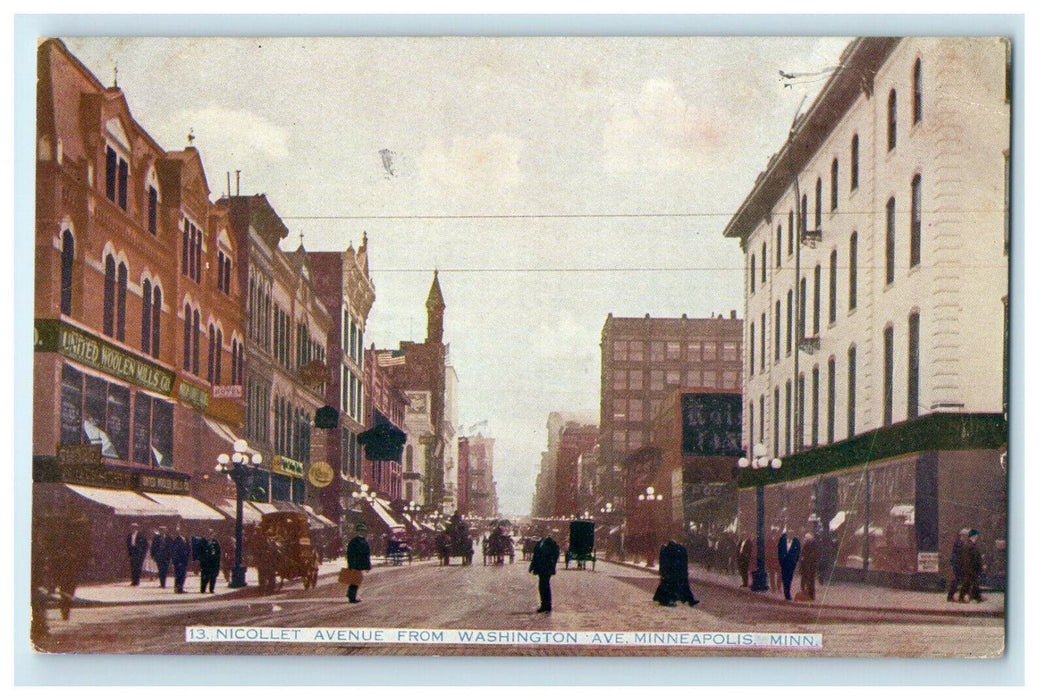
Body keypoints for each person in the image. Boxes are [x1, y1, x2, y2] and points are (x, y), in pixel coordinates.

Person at [653, 540, 699, 607]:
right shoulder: (676, 551)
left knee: (670, 586)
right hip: (674, 573)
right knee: (674, 587)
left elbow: (664, 562)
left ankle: (689, 600)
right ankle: (686, 600)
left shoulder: (669, 551)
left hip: (672, 573)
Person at [529, 534, 560, 613]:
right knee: (542, 586)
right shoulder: (539, 543)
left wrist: (553, 563)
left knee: (545, 586)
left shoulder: (550, 542)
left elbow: (556, 553)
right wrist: (531, 567)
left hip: (547, 567)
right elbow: (535, 556)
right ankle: (544, 605)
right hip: (540, 568)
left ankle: (547, 606)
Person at [345, 523, 372, 603]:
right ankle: (352, 597)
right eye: (360, 531)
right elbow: (351, 553)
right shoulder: (357, 541)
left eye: (363, 531)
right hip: (356, 563)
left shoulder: (359, 541)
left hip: (358, 563)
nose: (362, 532)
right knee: (355, 581)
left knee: (356, 580)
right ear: (358, 531)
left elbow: (366, 554)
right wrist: (351, 564)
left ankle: (351, 594)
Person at [958, 528, 984, 603]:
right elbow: (967, 558)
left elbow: (975, 556)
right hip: (971, 568)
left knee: (970, 583)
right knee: (968, 583)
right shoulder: (969, 545)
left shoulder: (972, 544)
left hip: (973, 568)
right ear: (974, 536)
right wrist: (969, 568)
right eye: (976, 536)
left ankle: (976, 597)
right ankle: (974, 597)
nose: (977, 537)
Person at [946, 528, 969, 602]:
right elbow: (959, 555)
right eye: (966, 535)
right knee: (958, 580)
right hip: (958, 565)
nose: (967, 537)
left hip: (959, 565)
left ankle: (952, 596)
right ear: (963, 535)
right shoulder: (959, 543)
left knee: (958, 580)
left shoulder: (960, 543)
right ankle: (955, 596)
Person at [777, 532, 801, 601]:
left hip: (791, 563)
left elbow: (798, 552)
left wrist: (794, 561)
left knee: (789, 578)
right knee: (785, 578)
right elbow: (779, 551)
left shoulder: (796, 542)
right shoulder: (782, 541)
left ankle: (787, 593)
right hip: (784, 563)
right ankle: (786, 593)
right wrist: (781, 560)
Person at [797, 533, 818, 601]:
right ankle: (810, 595)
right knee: (810, 581)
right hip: (809, 567)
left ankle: (807, 594)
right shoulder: (813, 546)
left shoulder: (806, 546)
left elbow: (803, 557)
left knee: (806, 581)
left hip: (807, 567)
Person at [169, 526, 191, 594]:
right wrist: (177, 561)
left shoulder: (186, 539)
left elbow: (188, 549)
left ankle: (180, 587)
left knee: (183, 575)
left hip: (184, 560)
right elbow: (175, 551)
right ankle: (177, 588)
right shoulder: (177, 540)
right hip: (179, 561)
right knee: (179, 575)